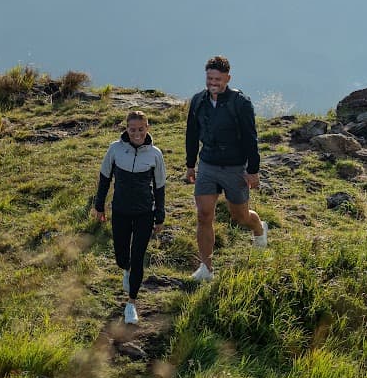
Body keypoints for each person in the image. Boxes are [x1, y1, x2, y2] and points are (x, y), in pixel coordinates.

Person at [184, 55, 266, 281]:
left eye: (218, 79)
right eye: (210, 78)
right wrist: (191, 165)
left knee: (240, 216)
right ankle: (206, 269)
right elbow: (192, 134)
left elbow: (251, 138)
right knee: (204, 215)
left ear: (228, 78)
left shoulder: (241, 103)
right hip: (208, 165)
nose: (213, 83)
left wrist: (253, 170)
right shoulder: (198, 101)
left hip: (234, 167)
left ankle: (259, 228)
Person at [91, 110, 167, 322]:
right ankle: (126, 269)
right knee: (122, 256)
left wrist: (159, 215)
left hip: (145, 212)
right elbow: (104, 178)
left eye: (141, 129)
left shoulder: (155, 154)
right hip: (121, 211)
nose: (137, 133)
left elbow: (160, 186)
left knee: (138, 256)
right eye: (132, 129)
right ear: (126, 129)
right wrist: (99, 206)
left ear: (147, 128)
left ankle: (131, 304)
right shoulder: (115, 149)